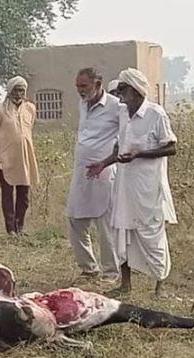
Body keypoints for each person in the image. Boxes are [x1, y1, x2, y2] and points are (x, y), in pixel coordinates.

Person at [87, 68, 178, 297]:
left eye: (123, 89)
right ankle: (125, 285)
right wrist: (104, 163)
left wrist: (140, 154)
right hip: (124, 186)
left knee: (152, 235)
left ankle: (160, 286)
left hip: (148, 187)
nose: (119, 94)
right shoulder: (123, 113)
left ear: (136, 91)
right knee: (122, 232)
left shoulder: (155, 114)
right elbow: (120, 147)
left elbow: (171, 147)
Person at [67, 68, 120, 284]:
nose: (80, 90)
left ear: (98, 84)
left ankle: (111, 272)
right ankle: (89, 269)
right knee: (75, 219)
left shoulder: (116, 107)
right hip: (81, 172)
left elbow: (127, 134)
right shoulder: (83, 104)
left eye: (84, 86)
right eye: (77, 86)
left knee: (104, 224)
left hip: (104, 173)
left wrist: (110, 159)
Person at [0, 76, 39, 236]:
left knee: (24, 195)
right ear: (9, 91)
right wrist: (0, 152)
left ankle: (20, 227)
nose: (18, 94)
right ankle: (10, 230)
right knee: (7, 195)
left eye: (21, 91)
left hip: (25, 158)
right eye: (15, 90)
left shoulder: (30, 109)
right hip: (6, 158)